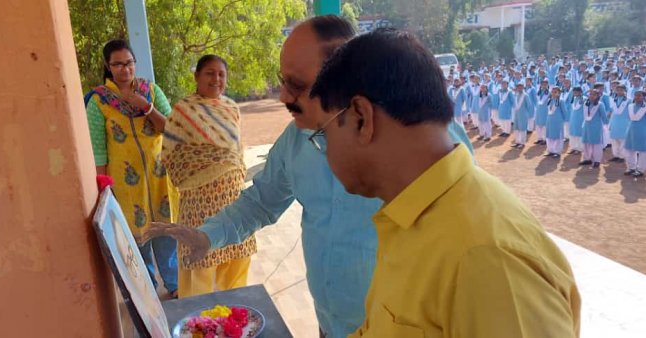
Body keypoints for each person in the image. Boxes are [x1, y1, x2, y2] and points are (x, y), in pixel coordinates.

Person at [145, 16, 473, 338]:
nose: (283, 97)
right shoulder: (296, 139)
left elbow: (462, 246)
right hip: (330, 322)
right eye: (283, 81)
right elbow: (260, 203)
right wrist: (207, 235)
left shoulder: (424, 140)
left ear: (346, 76)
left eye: (297, 85)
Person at [308, 28, 580, 338]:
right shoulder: (410, 216)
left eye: (324, 134)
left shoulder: (487, 258)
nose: (324, 152)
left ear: (361, 118)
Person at [84, 39, 179, 297]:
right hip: (126, 185)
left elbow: (171, 129)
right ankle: (147, 292)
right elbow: (99, 149)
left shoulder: (151, 90)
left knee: (166, 233)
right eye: (118, 64)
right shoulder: (99, 101)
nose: (125, 69)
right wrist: (104, 188)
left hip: (160, 176)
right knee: (137, 242)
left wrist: (145, 106)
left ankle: (175, 286)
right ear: (108, 66)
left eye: (129, 63)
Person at [160, 55, 256, 297]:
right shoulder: (182, 112)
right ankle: (198, 325)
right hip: (199, 202)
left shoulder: (232, 109)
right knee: (201, 262)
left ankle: (235, 319)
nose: (216, 79)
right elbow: (171, 155)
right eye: (209, 73)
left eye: (221, 74)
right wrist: (201, 170)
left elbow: (237, 151)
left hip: (234, 199)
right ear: (197, 77)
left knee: (236, 258)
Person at [580, 89, 609, 168]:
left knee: (596, 144)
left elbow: (604, 116)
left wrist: (606, 125)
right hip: (586, 125)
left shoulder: (600, 104)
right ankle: (587, 158)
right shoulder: (586, 103)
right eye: (590, 94)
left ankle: (597, 160)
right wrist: (587, 91)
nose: (591, 96)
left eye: (594, 95)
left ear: (598, 96)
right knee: (586, 143)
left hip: (596, 127)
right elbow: (582, 94)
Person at [625, 90, 646, 177]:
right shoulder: (630, 106)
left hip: (643, 130)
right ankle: (631, 167)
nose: (637, 97)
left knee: (643, 151)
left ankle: (640, 170)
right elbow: (628, 118)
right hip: (631, 129)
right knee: (629, 149)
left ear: (644, 97)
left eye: (639, 96)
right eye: (636, 95)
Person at [608, 85, 631, 162]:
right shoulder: (614, 100)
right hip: (615, 122)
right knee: (614, 140)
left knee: (623, 141)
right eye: (617, 90)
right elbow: (612, 112)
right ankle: (616, 155)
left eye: (621, 90)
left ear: (625, 91)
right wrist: (610, 123)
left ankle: (622, 157)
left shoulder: (629, 101)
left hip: (624, 123)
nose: (619, 91)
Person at [545, 87, 568, 158]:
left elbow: (564, 112)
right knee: (550, 136)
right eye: (552, 92)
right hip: (550, 120)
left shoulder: (561, 101)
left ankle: (557, 151)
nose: (553, 93)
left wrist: (564, 121)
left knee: (557, 136)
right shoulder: (549, 100)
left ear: (559, 93)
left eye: (555, 92)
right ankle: (550, 150)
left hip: (558, 121)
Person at [511, 83, 534, 148]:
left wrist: (528, 114)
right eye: (518, 87)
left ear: (523, 87)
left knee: (522, 129)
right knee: (516, 128)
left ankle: (522, 143)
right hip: (517, 114)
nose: (519, 88)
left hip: (523, 114)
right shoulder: (516, 95)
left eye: (520, 87)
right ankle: (517, 142)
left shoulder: (526, 95)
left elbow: (529, 106)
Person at [567, 87, 586, 155]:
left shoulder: (584, 99)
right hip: (573, 118)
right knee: (573, 133)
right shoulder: (573, 99)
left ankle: (579, 148)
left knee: (579, 134)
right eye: (574, 91)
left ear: (580, 92)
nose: (575, 93)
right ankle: (573, 147)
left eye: (577, 91)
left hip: (580, 119)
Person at [534, 80, 551, 145]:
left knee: (544, 126)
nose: (544, 85)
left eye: (545, 84)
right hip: (538, 110)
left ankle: (545, 139)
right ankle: (539, 138)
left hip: (545, 110)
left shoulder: (549, 93)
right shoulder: (538, 92)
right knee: (538, 125)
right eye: (542, 84)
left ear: (547, 85)